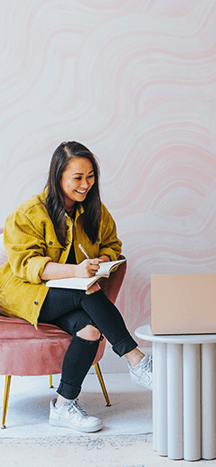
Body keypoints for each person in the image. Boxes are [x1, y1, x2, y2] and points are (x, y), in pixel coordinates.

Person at [0, 142, 152, 433]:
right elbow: (29, 266)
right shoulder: (28, 213)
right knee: (87, 290)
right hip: (25, 295)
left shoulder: (94, 210)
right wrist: (76, 271)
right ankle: (137, 361)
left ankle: (63, 405)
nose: (86, 184)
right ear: (58, 177)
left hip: (68, 299)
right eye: (78, 178)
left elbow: (112, 244)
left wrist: (103, 260)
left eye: (91, 176)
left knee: (90, 331)